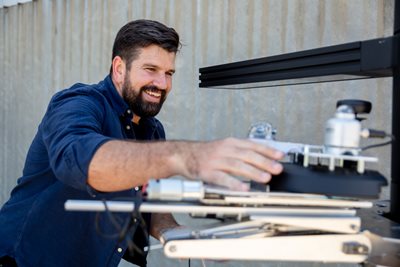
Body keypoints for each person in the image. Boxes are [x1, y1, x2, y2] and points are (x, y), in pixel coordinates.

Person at [0, 19, 284, 267]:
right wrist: (186, 156)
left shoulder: (151, 130)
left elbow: (149, 203)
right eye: (151, 69)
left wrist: (174, 232)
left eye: (169, 73)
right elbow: (80, 160)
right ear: (119, 68)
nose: (161, 83)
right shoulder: (76, 103)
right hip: (20, 259)